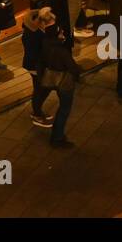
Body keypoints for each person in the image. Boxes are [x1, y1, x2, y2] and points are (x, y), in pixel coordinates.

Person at [40, 19, 79, 148]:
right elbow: (72, 67)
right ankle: (57, 137)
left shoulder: (45, 44)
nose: (63, 34)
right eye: (61, 32)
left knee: (62, 108)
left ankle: (57, 136)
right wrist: (77, 74)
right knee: (64, 109)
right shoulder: (62, 51)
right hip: (64, 83)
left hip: (51, 78)